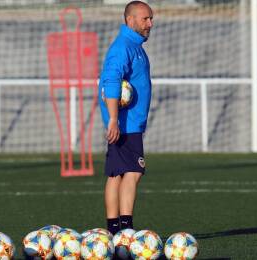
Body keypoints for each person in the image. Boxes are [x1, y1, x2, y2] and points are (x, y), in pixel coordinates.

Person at [98, 0, 154, 235]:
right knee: (133, 172)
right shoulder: (123, 47)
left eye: (151, 19)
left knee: (118, 174)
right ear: (130, 20)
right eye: (145, 19)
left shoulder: (134, 45)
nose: (150, 24)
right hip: (124, 124)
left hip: (128, 123)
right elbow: (110, 80)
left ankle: (114, 230)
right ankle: (125, 230)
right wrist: (113, 119)